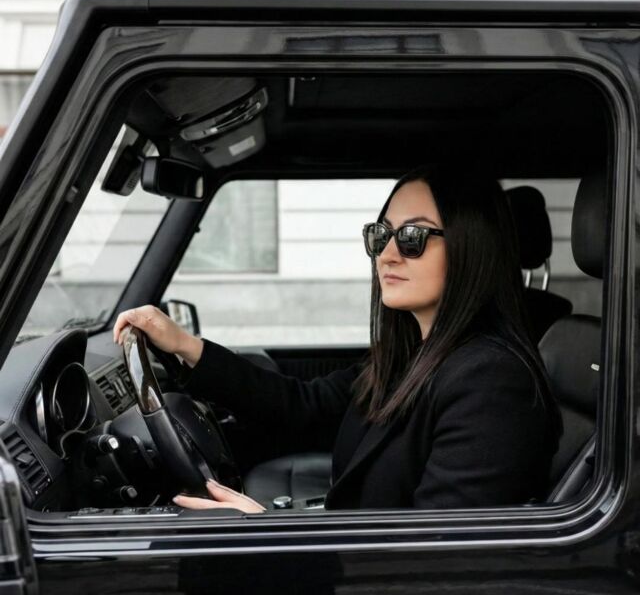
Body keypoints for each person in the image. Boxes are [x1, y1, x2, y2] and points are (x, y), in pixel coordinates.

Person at [113, 165, 562, 515]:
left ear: (471, 246)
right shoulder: (413, 354)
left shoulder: (490, 380)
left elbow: (438, 558)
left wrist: (262, 528)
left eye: (412, 237)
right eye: (381, 235)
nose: (387, 254)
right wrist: (184, 344)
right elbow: (303, 407)